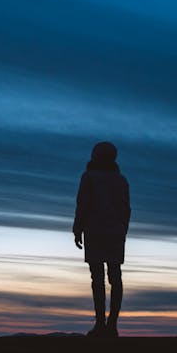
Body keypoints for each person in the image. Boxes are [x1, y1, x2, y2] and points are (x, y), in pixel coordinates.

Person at [73, 141, 131, 337]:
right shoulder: (121, 180)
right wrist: (124, 229)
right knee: (115, 276)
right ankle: (111, 324)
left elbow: (83, 204)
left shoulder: (89, 178)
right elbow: (127, 209)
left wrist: (77, 228)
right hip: (115, 231)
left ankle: (101, 323)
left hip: (95, 231)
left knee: (97, 278)